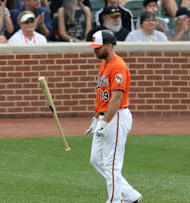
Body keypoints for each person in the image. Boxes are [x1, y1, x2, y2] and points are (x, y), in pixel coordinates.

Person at [86, 29, 142, 203]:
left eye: (98, 47)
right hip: (105, 116)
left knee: (111, 164)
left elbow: (116, 98)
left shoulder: (118, 66)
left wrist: (105, 122)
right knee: (96, 160)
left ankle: (114, 200)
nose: (94, 50)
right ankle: (131, 195)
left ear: (109, 46)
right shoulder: (103, 65)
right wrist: (96, 119)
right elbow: (102, 96)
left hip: (116, 117)